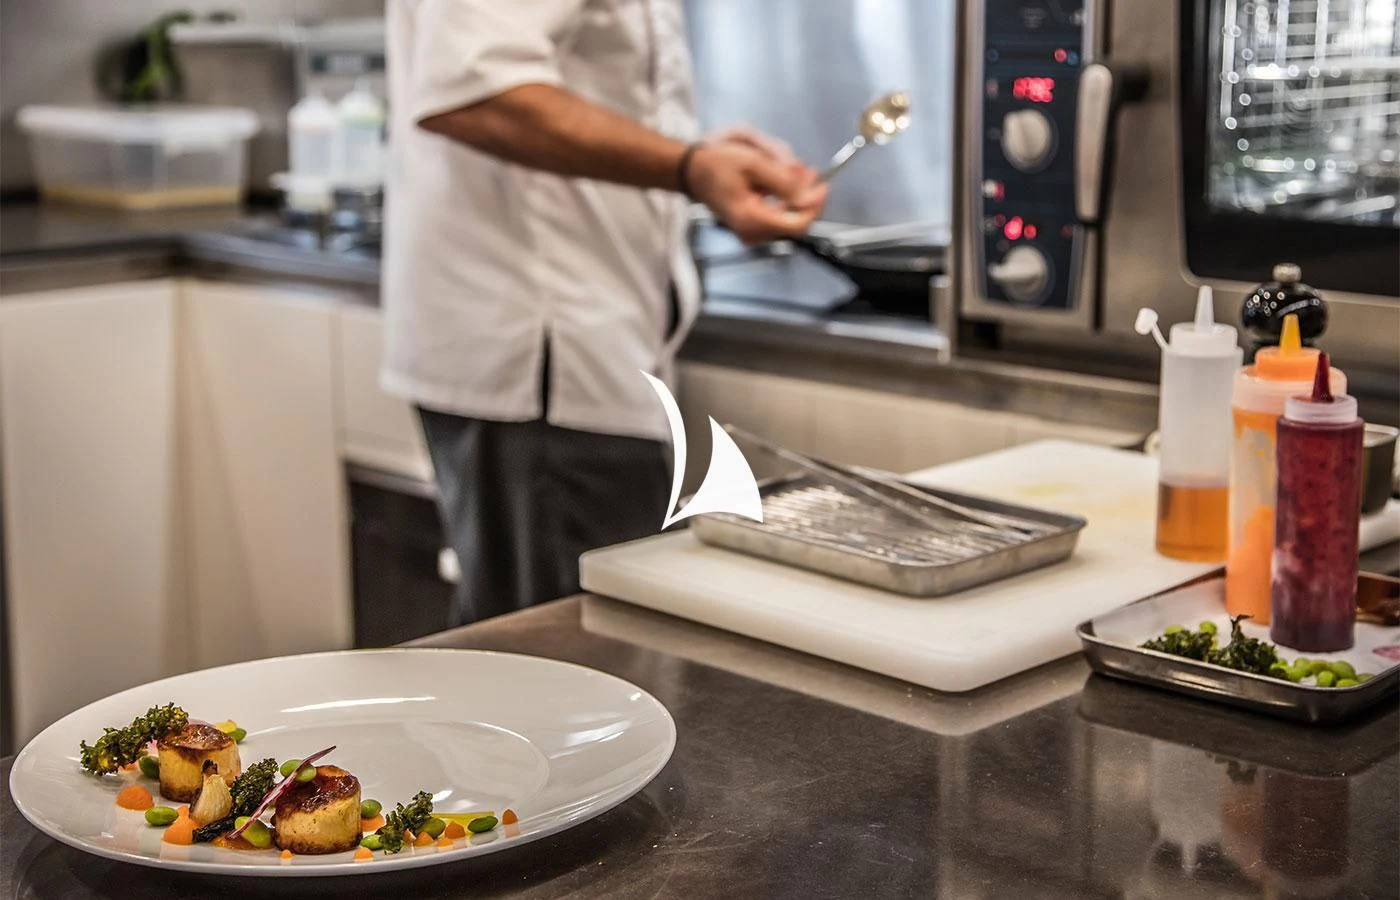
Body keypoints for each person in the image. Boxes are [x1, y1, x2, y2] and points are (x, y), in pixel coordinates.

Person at [383, 0, 828, 626]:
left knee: (584, 660)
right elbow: (474, 91)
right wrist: (689, 167)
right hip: (542, 361)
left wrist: (690, 155)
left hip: (584, 346)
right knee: (560, 671)